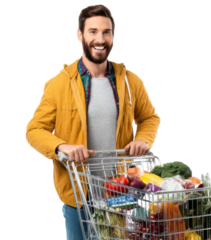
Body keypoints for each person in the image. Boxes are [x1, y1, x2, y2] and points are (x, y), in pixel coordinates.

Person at [25, 3, 161, 240]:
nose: (100, 38)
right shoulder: (58, 83)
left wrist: (142, 139)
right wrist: (61, 147)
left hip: (121, 193)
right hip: (77, 194)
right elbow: (34, 130)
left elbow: (150, 117)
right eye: (93, 31)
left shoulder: (131, 80)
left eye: (106, 32)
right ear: (79, 35)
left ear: (113, 36)